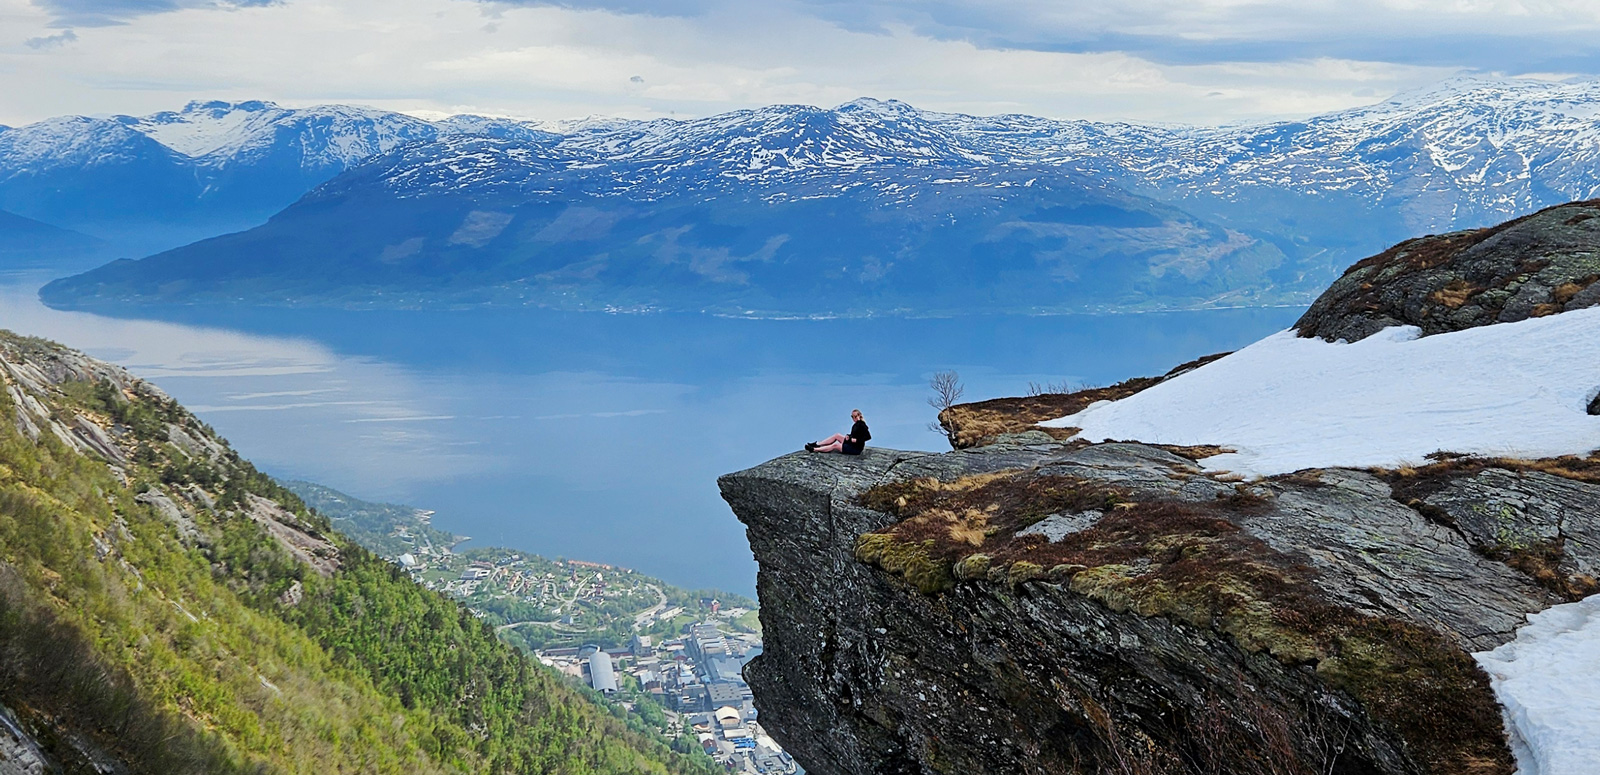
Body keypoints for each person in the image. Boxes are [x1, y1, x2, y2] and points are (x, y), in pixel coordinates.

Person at [806, 410, 871, 455]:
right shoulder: (855, 425)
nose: (854, 418)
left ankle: (814, 449)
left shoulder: (862, 425)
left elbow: (868, 436)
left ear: (859, 415)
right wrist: (849, 436)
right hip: (851, 444)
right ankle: (817, 444)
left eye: (856, 416)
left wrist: (857, 440)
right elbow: (855, 435)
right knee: (837, 435)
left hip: (856, 449)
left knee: (836, 445)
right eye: (853, 417)